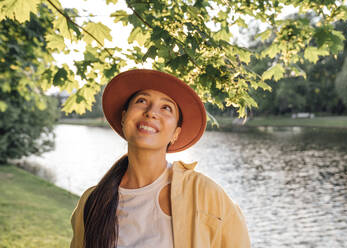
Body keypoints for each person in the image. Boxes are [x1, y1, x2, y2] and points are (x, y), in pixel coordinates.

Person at [70, 69, 251, 248]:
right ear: (124, 117)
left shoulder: (205, 194)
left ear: (176, 133)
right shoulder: (92, 201)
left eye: (166, 107)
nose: (151, 112)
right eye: (142, 101)